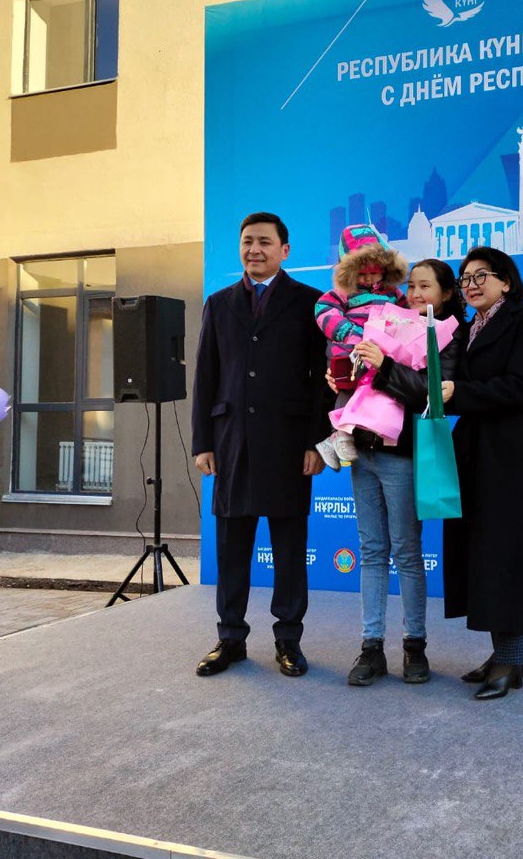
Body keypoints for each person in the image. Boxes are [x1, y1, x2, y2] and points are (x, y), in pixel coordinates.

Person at [192, 212, 330, 678]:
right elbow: (206, 376)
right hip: (230, 442)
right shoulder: (219, 303)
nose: (254, 249)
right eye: (247, 241)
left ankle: (288, 639)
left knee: (289, 548)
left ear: (284, 250)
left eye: (264, 242)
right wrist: (203, 441)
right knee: (232, 548)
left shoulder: (311, 302)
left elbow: (321, 381)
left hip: (289, 444)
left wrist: (316, 441)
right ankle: (230, 638)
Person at [340, 259, 464, 686]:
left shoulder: (448, 336)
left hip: (405, 455)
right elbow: (362, 383)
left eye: (425, 287)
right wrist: (344, 376)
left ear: (446, 293)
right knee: (372, 551)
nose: (414, 295)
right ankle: (371, 646)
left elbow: (432, 397)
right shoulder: (386, 320)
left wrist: (385, 366)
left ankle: (415, 645)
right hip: (364, 450)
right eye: (411, 286)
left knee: (407, 553)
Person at [441, 247, 523, 700]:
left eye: (480, 275)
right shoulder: (466, 329)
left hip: (510, 446)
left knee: (504, 550)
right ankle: (507, 656)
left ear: (506, 280)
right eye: (465, 278)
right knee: (480, 549)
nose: (471, 284)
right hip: (473, 444)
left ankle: (508, 659)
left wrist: (458, 393)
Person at [312, 224, 408, 469]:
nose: (367, 279)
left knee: (375, 395)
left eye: (373, 273)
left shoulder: (394, 294)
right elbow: (323, 310)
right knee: (347, 387)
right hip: (351, 352)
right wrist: (351, 334)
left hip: (380, 354)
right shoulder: (345, 292)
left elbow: (407, 317)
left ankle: (333, 440)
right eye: (361, 273)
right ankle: (341, 433)